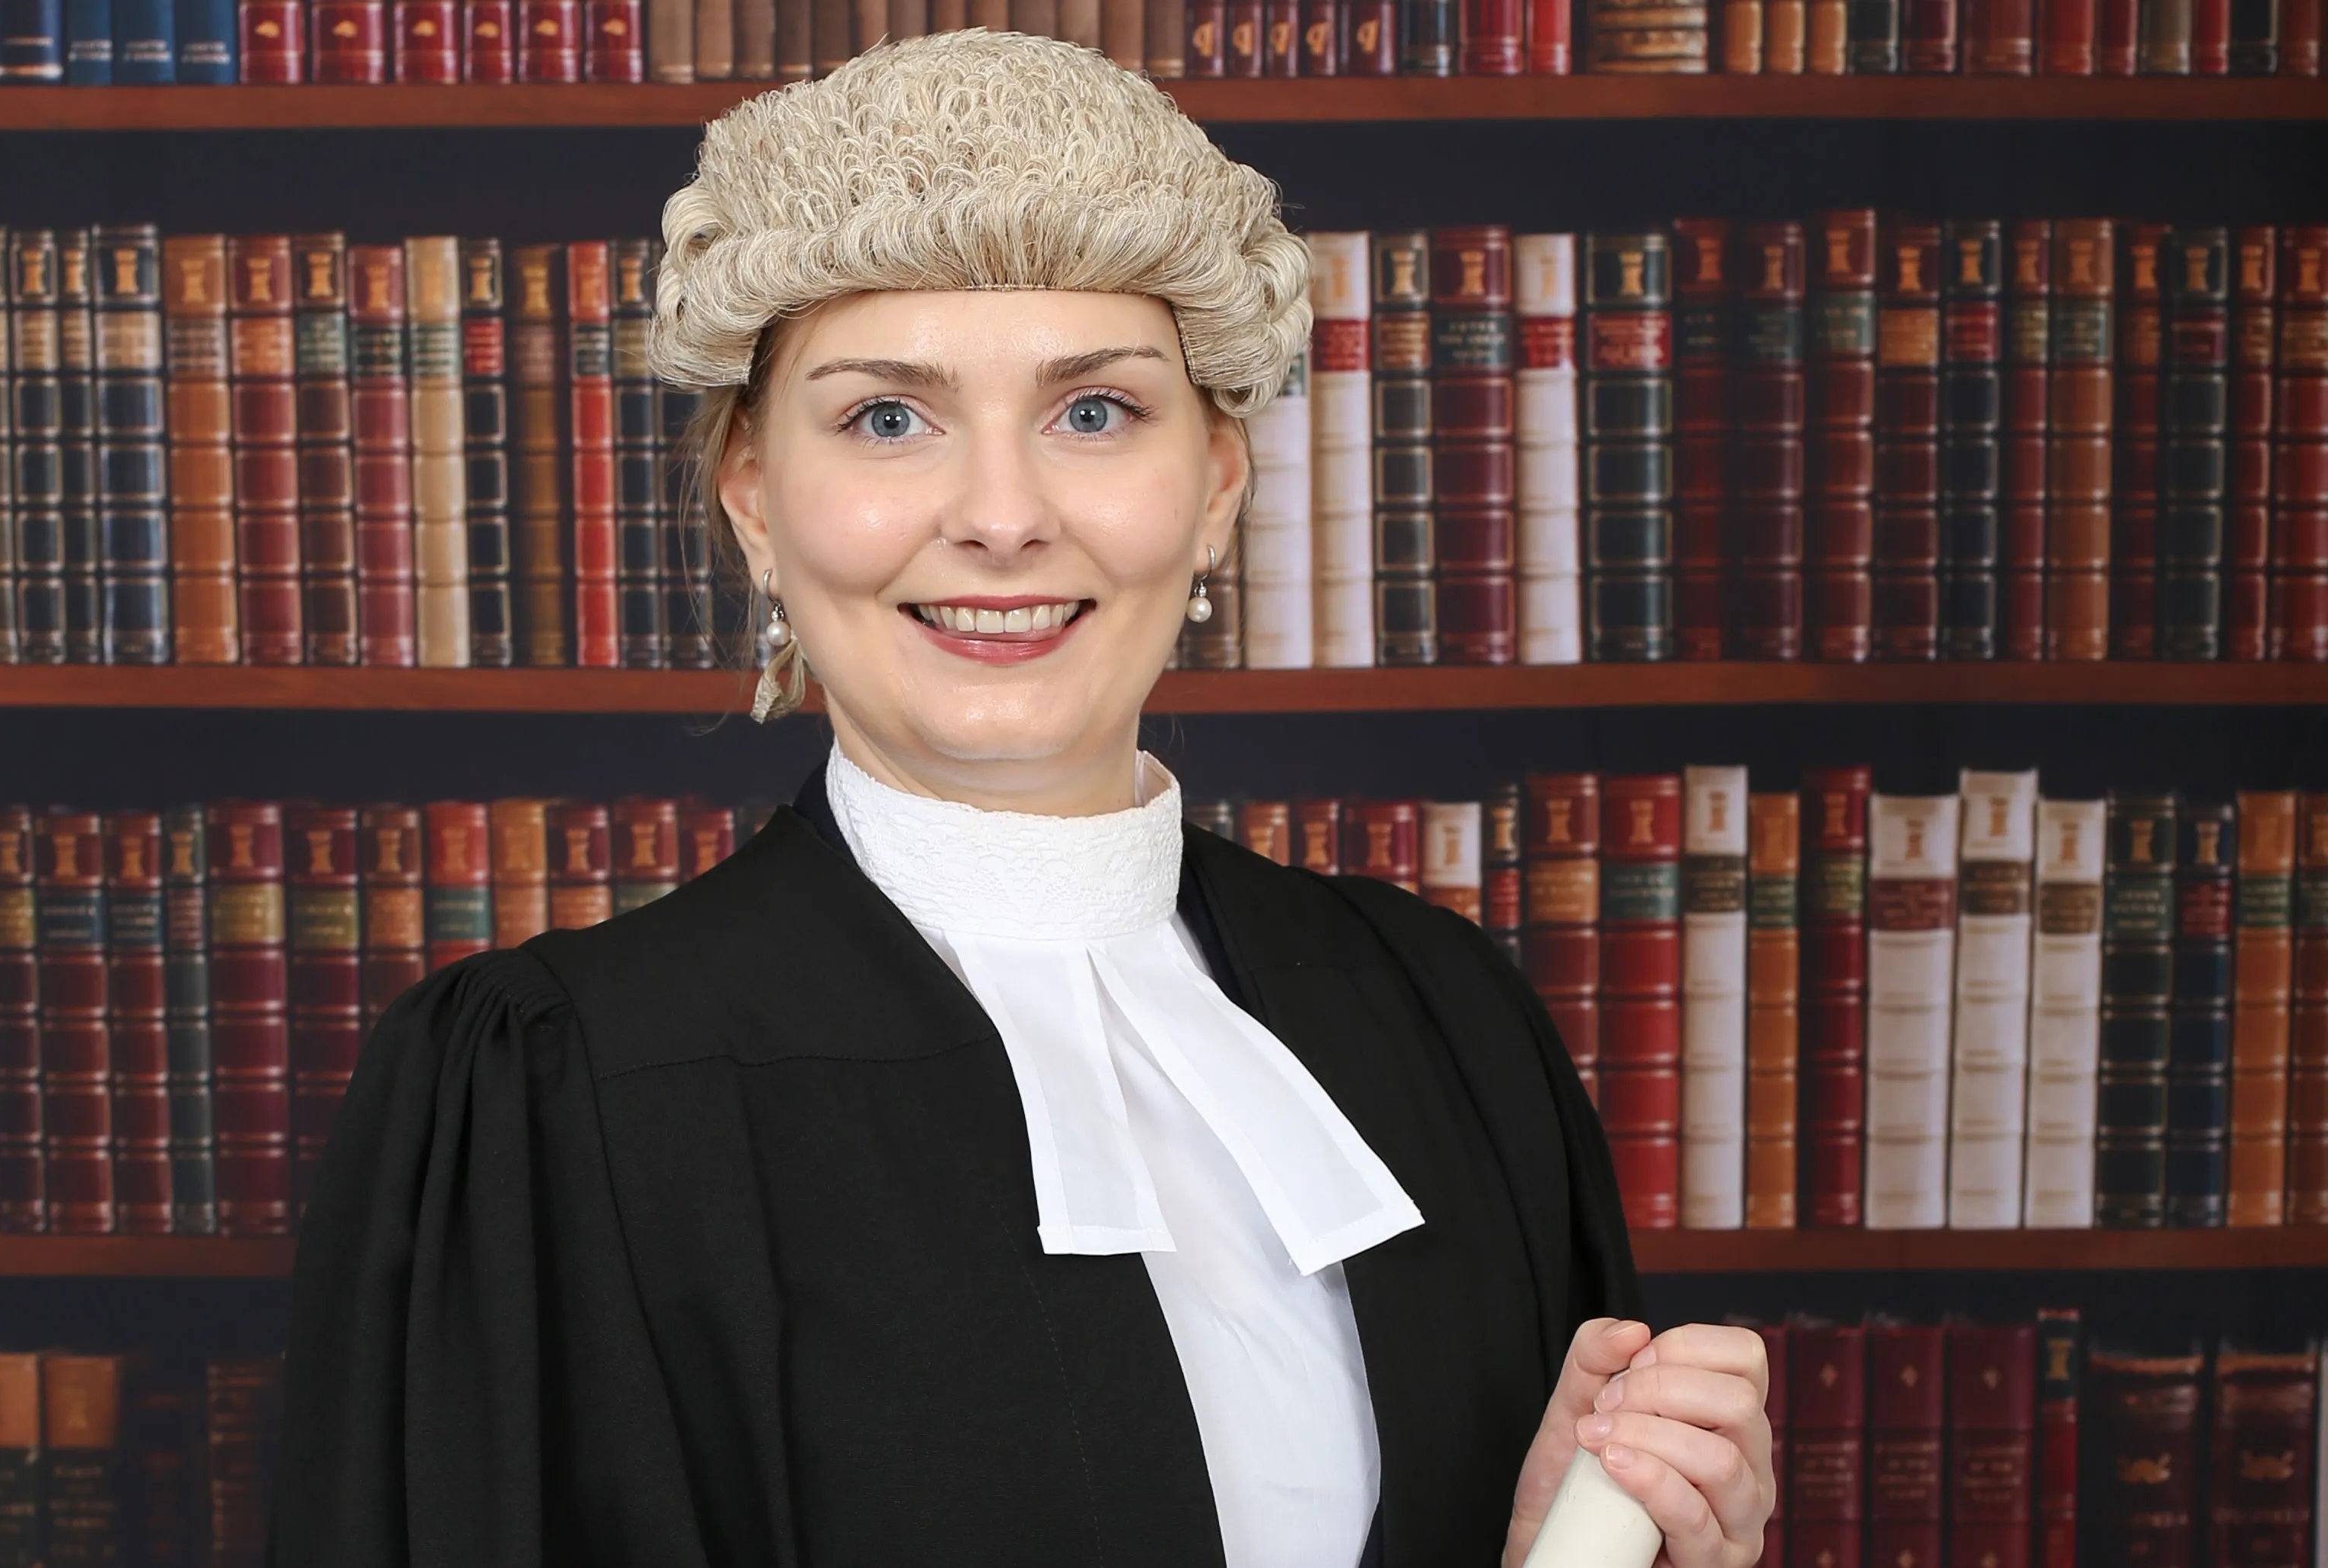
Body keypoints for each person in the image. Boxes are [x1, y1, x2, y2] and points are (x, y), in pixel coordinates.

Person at [270, 28, 1773, 1568]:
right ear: (755, 501)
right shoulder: (544, 1095)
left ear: (1217, 488)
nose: (1002, 518)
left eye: (1095, 412)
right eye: (887, 418)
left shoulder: (1441, 1024)